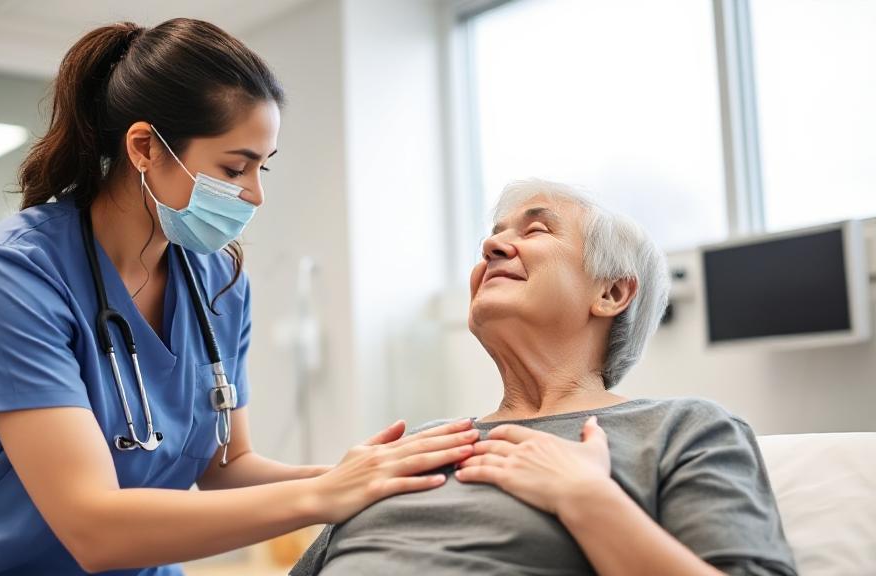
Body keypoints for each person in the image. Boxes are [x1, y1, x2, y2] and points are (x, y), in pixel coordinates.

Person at [0, 19, 477, 576]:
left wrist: (363, 477)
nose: (253, 196)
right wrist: (324, 494)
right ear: (144, 148)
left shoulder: (218, 283)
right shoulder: (14, 276)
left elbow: (226, 468)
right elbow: (93, 526)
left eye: (262, 168)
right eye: (234, 167)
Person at [292, 178, 797, 576]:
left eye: (535, 231)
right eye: (492, 235)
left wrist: (587, 501)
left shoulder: (679, 430)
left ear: (612, 294)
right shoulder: (418, 445)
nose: (492, 246)